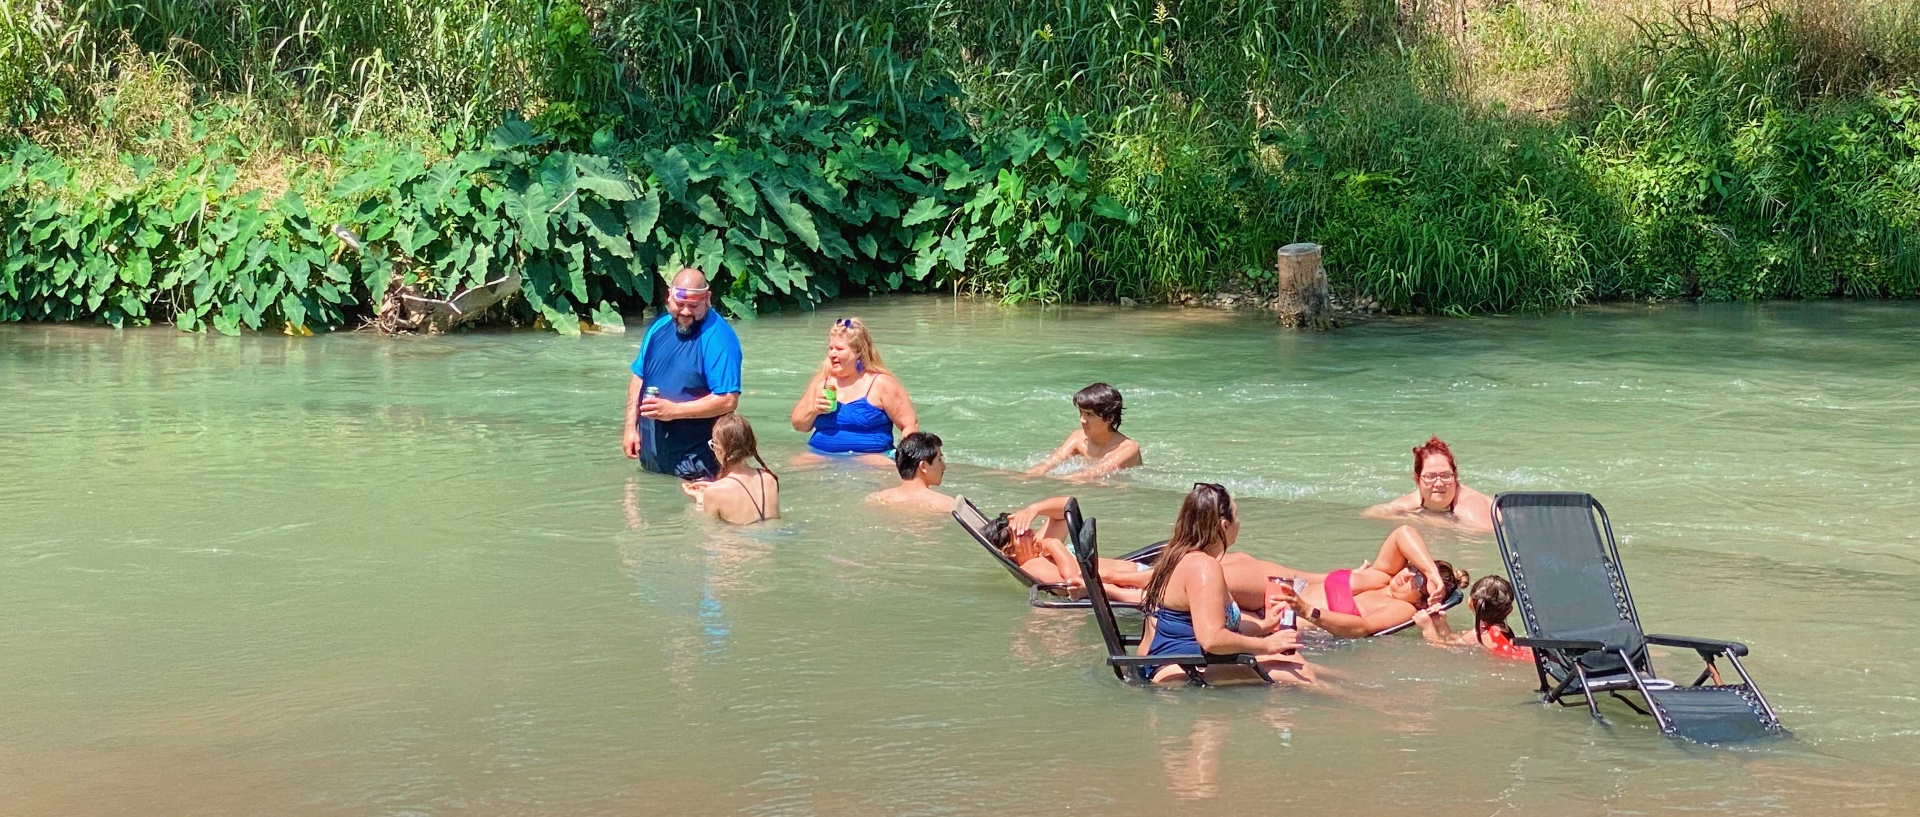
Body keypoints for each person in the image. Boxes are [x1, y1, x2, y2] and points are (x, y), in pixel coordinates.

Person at [1134, 483, 1313, 685]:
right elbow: (1212, 639)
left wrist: (1263, 625)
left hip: (1172, 661)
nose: (1239, 522)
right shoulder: (1204, 567)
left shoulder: (1176, 556)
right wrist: (1267, 645)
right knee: (1300, 674)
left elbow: (1204, 623)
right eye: (1236, 516)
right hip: (1181, 669)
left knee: (1307, 668)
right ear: (1224, 526)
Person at [1222, 525, 1465, 639]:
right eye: (1414, 567)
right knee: (1230, 561)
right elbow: (1402, 532)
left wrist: (1306, 610)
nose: (1409, 574)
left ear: (1423, 602)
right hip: (1289, 587)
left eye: (1418, 581)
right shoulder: (1383, 575)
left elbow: (1362, 628)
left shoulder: (1403, 609)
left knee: (1215, 584)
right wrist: (1430, 572)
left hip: (1279, 619)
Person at [622, 268, 743, 480]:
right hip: (652, 454)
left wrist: (674, 410)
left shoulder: (719, 339)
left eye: (694, 306)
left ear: (707, 298)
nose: (686, 312)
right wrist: (630, 428)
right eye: (680, 305)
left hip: (697, 464)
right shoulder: (659, 327)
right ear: (669, 296)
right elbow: (639, 376)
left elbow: (728, 400)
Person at [980, 496, 1156, 603]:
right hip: (1138, 588)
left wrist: (1034, 509)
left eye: (1026, 526)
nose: (1030, 531)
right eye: (1021, 531)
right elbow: (1075, 580)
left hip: (1142, 577)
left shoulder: (1035, 547)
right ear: (1009, 551)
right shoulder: (1032, 566)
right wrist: (1054, 544)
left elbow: (1067, 506)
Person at [790, 317, 917, 462]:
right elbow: (798, 425)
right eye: (830, 348)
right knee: (797, 462)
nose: (832, 354)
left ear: (858, 352)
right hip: (820, 454)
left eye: (839, 349)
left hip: (872, 457)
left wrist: (905, 460)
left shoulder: (881, 383)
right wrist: (813, 410)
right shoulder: (822, 382)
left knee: (879, 463)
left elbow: (910, 425)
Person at [1367, 436, 1494, 531]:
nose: (1438, 483)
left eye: (1445, 476)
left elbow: (1483, 531)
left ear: (1455, 476)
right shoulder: (1411, 502)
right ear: (1417, 479)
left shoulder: (1468, 504)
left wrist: (1422, 519)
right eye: (1430, 476)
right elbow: (1371, 513)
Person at [1026, 382, 1143, 481]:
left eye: (1089, 415)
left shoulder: (1128, 448)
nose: (1082, 420)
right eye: (1081, 412)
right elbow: (1050, 462)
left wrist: (1057, 482)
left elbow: (1095, 473)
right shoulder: (1078, 438)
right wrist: (1025, 477)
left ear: (1109, 418)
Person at [681, 413, 780, 524]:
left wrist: (700, 500)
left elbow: (708, 529)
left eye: (713, 444)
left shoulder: (715, 492)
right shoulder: (769, 479)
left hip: (736, 541)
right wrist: (713, 488)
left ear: (721, 450)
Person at [1413, 575, 1531, 660]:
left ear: (1470, 603)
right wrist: (1441, 624)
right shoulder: (1502, 629)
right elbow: (1454, 640)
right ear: (1509, 611)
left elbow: (1443, 649)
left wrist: (1428, 628)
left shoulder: (1479, 635)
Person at [868, 431, 953, 513]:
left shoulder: (877, 499)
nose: (943, 466)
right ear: (923, 466)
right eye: (939, 460)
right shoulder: (947, 505)